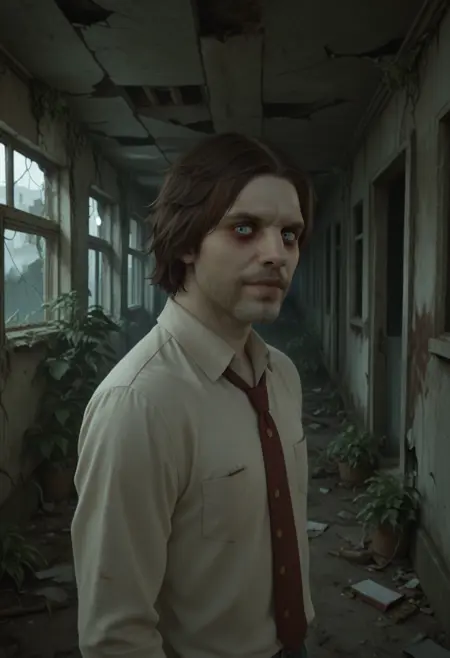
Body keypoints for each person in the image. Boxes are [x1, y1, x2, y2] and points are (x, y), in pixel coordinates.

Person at [72, 133, 315, 658]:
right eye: (244, 229)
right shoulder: (138, 405)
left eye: (290, 235)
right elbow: (116, 635)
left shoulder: (282, 376)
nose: (277, 255)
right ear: (186, 242)